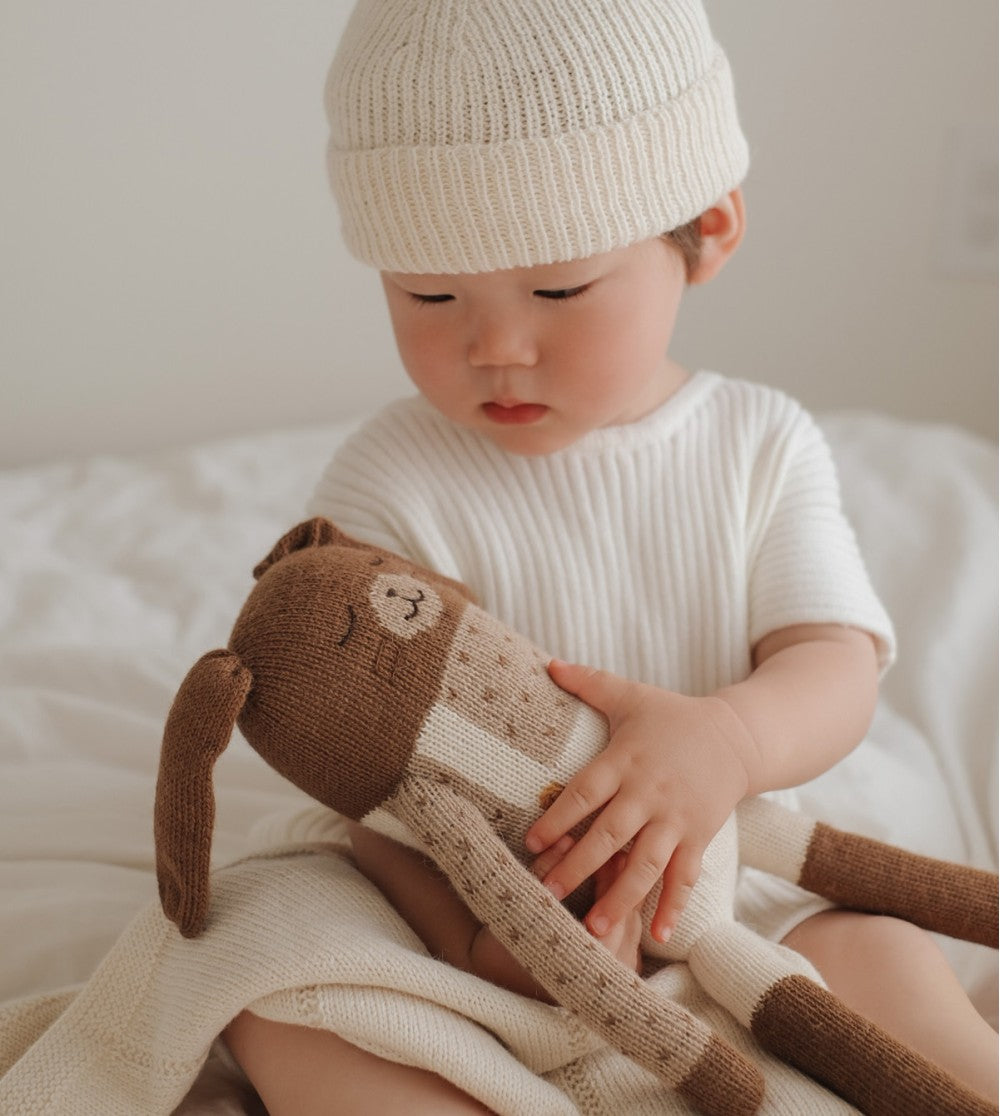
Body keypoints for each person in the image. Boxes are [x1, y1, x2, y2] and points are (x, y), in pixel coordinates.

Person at [224, 1, 999, 1111]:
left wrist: (729, 737)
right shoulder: (388, 475)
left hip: (741, 882)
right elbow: (364, 750)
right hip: (479, 889)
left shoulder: (757, 445)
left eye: (556, 290)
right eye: (427, 295)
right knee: (273, 971)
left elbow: (835, 662)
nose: (493, 346)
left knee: (877, 961)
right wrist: (472, 932)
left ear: (707, 231)